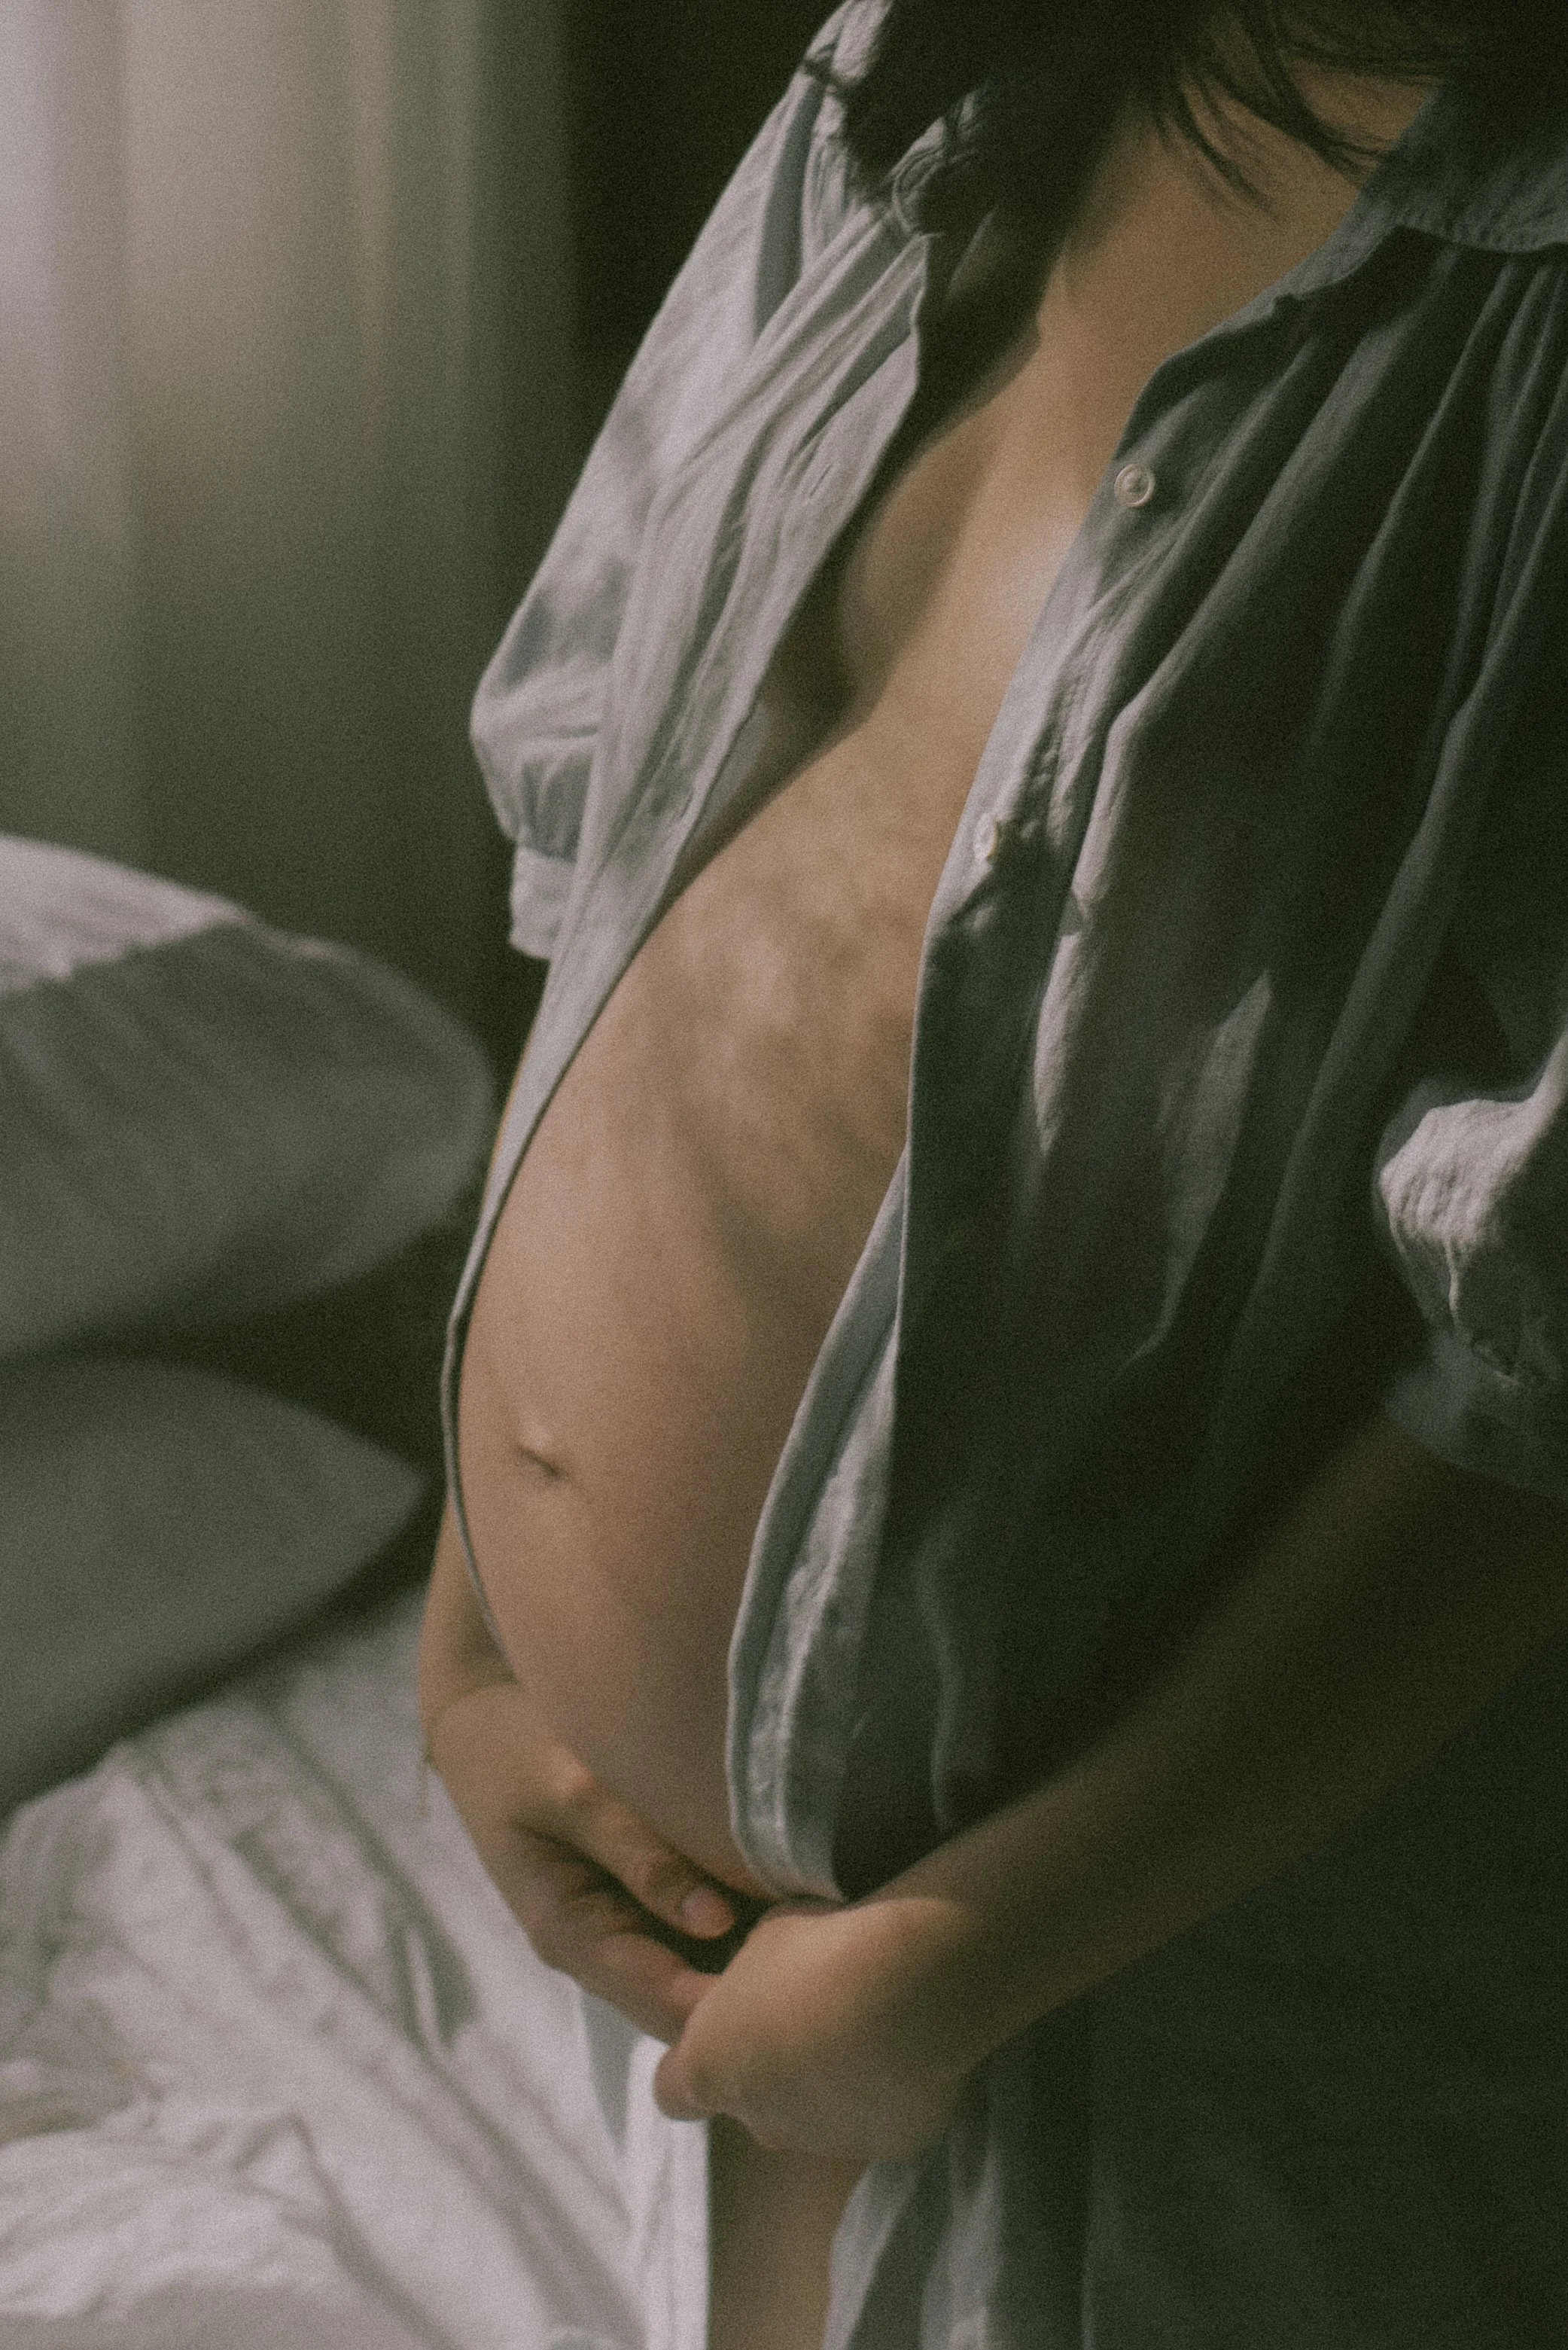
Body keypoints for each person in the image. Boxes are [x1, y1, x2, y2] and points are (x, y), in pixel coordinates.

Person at [419, 4, 1568, 2343]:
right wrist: (476, 1620)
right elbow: (603, 828)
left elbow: (1530, 1385)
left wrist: (964, 1955)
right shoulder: (945, 68)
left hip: (1167, 2001)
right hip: (764, 1973)